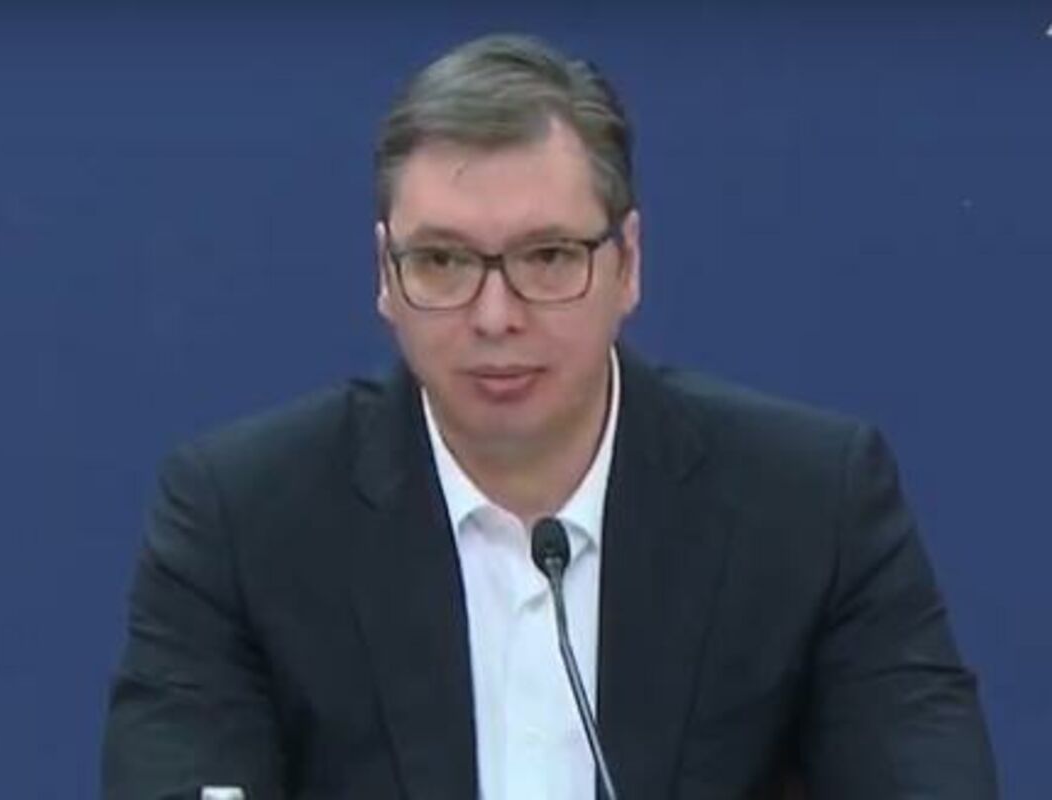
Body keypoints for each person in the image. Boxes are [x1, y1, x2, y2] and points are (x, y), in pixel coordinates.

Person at [101, 33, 997, 799]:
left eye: (548, 256)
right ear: (385, 276)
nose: (496, 316)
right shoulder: (243, 520)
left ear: (627, 264)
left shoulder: (812, 507)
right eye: (443, 261)